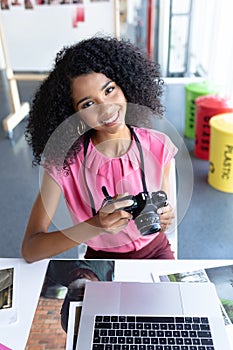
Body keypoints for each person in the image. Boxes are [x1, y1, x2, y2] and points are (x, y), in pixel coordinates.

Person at [21, 35, 177, 262]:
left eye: (109, 90)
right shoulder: (63, 164)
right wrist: (95, 225)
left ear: (126, 85)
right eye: (88, 104)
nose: (106, 109)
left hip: (156, 251)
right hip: (101, 259)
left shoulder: (158, 146)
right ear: (72, 114)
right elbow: (31, 249)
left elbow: (163, 211)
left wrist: (166, 217)